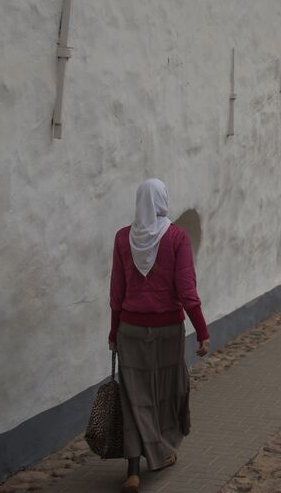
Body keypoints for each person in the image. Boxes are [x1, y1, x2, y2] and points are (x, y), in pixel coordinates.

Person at [109, 179, 210, 492]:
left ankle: (133, 470)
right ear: (163, 201)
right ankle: (163, 451)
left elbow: (117, 292)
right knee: (167, 391)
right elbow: (186, 291)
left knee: (133, 397)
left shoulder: (123, 238)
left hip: (130, 330)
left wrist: (114, 331)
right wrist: (202, 331)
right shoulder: (177, 238)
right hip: (167, 330)